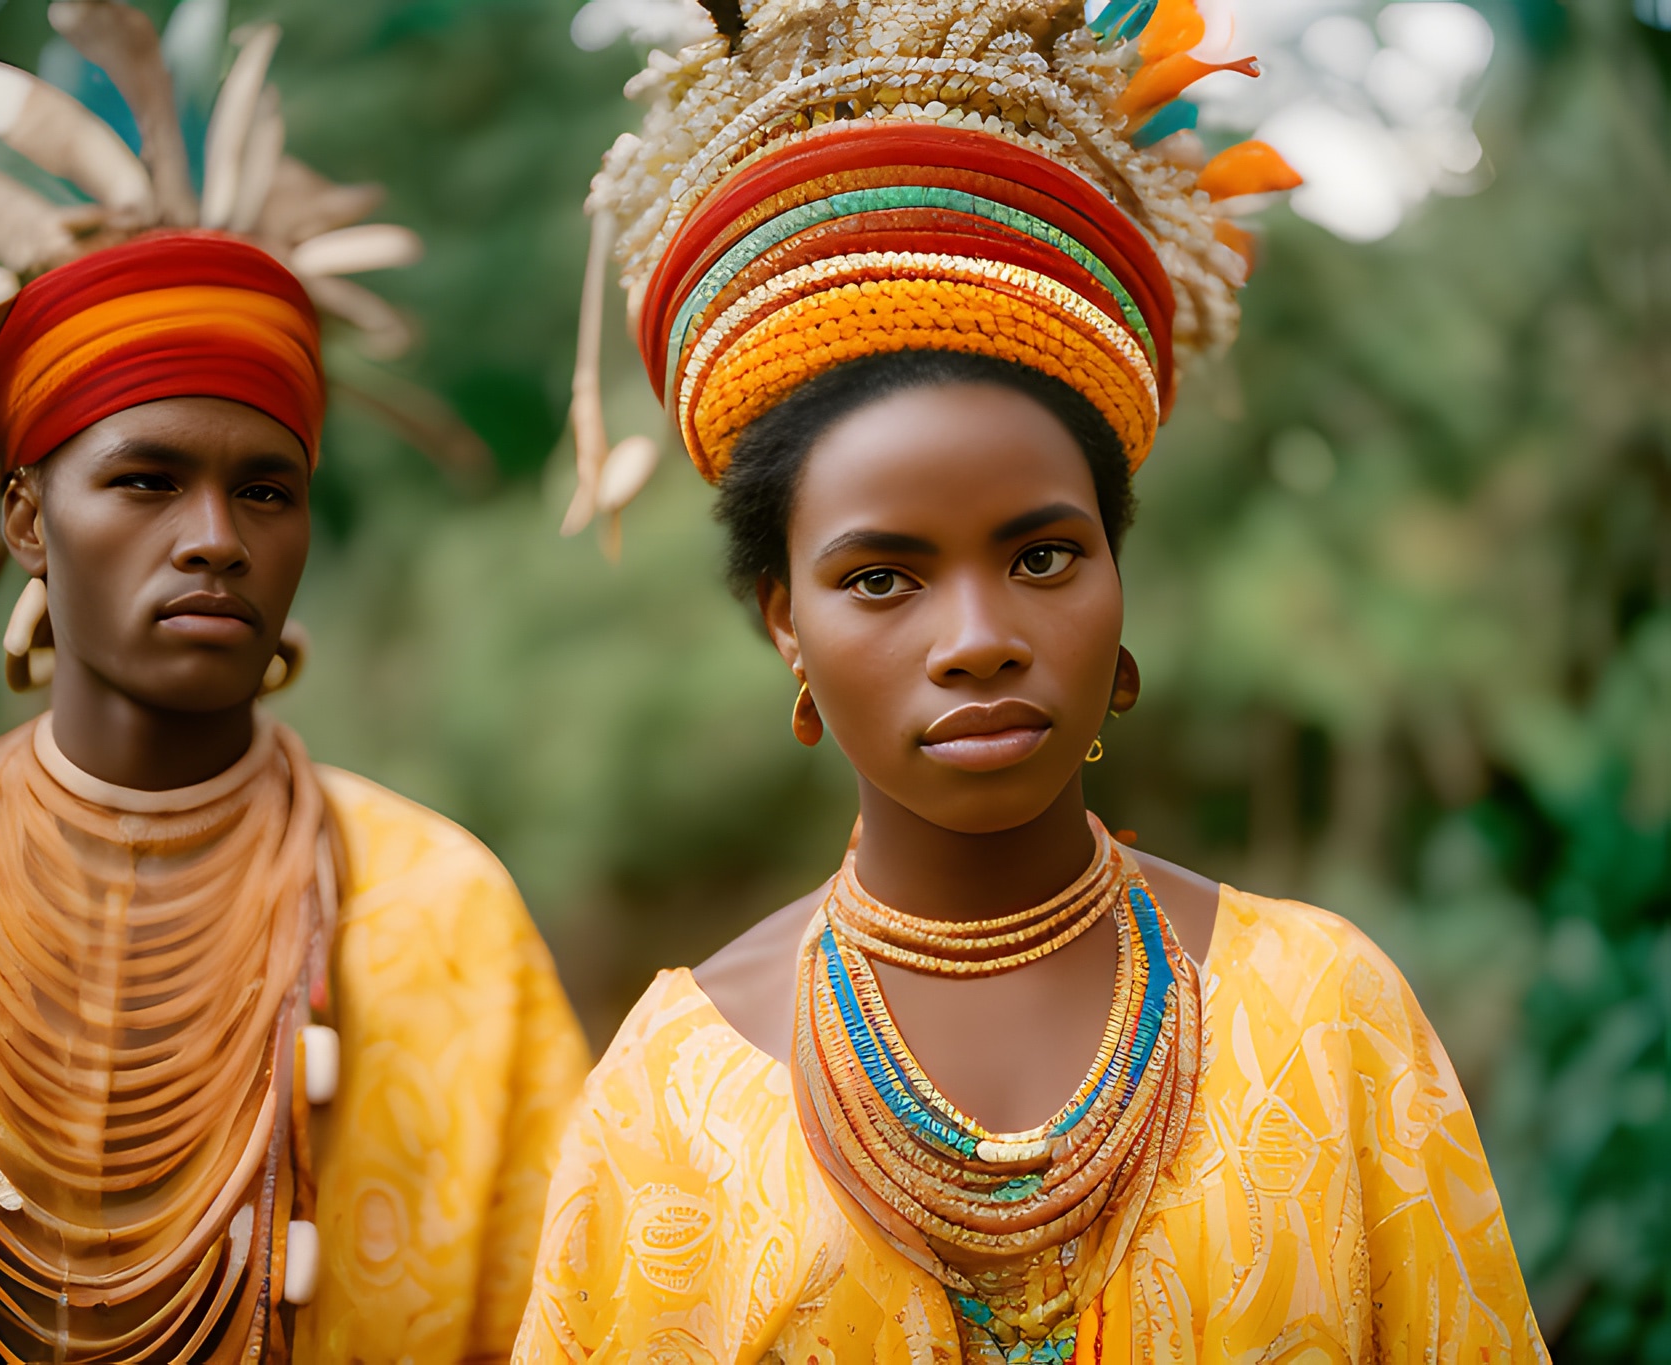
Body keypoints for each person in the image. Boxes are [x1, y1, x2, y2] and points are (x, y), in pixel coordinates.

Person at [516, 0, 1545, 1360]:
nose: (979, 634)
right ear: (784, 623)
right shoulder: (671, 1090)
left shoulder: (1327, 1014)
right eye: (881, 577)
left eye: (1044, 554)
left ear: (1119, 575)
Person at [0, 8, 586, 1362]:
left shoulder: (447, 924)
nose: (213, 535)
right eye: (145, 480)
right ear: (26, 514)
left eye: (267, 490)